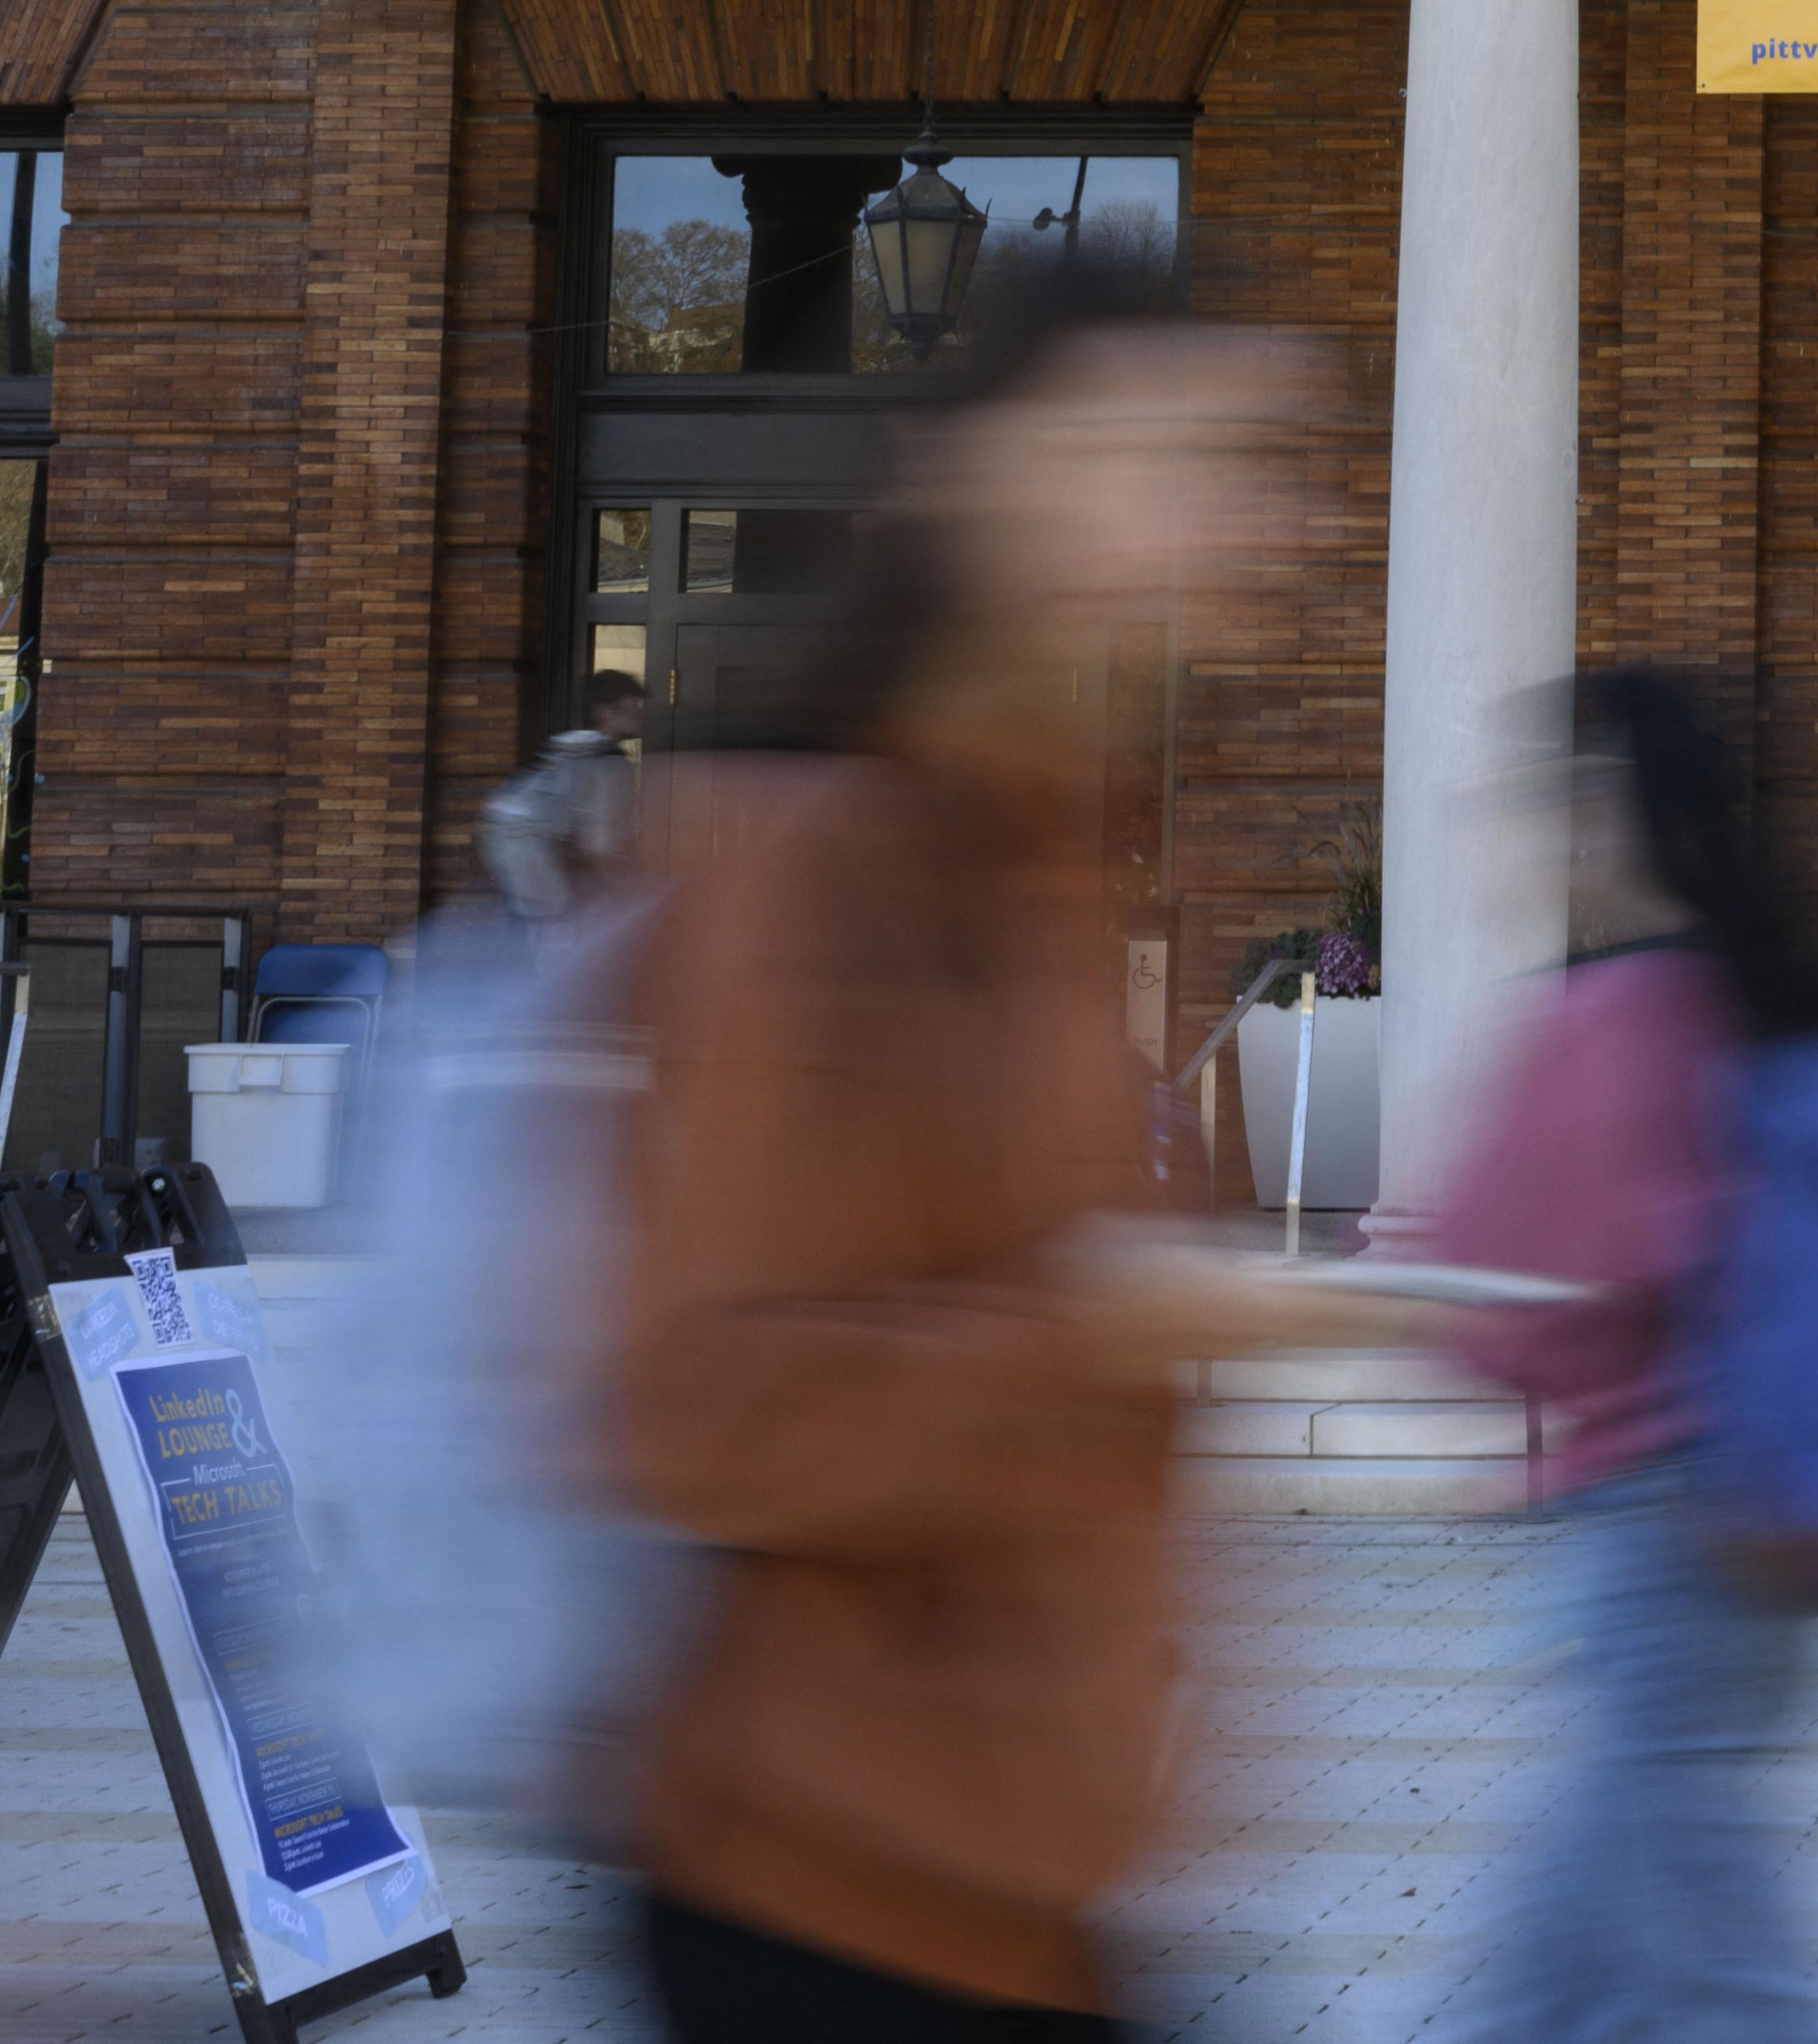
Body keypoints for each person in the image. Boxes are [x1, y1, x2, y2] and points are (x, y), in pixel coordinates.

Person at [610, 282, 1409, 2043]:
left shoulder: (1043, 864)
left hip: (1035, 1898)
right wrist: (1103, 1329)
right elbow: (696, 1402)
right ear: (980, 487)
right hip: (830, 1893)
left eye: (1259, 471)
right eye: (1164, 460)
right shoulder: (824, 873)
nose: (1252, 520)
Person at [1429, 668, 1818, 2044]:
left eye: (1562, 800)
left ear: (1621, 816)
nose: (1538, 833)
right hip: (1739, 1520)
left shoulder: (1618, 1013)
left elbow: (1511, 1275)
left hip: (1668, 1532)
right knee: (1589, 1957)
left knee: (1697, 1958)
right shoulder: (1740, 991)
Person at [479, 665, 646, 923]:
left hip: (526, 883)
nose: (641, 714)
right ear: (605, 713)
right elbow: (602, 845)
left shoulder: (565, 751)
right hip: (558, 892)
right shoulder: (610, 763)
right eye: (633, 706)